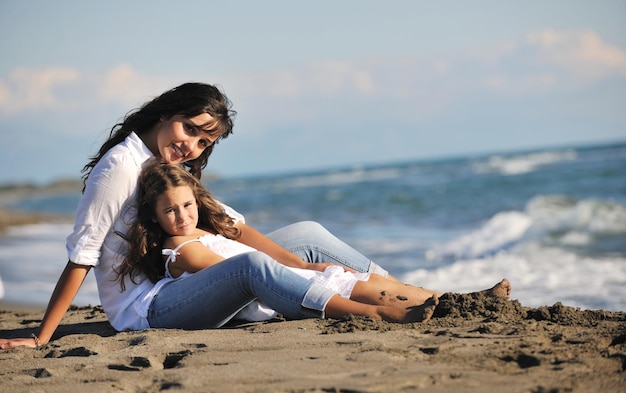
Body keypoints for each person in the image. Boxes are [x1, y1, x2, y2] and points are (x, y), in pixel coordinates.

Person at [0, 82, 510, 350]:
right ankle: (378, 313)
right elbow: (83, 253)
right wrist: (43, 336)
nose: (192, 145)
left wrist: (299, 261)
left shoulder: (168, 166)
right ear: (166, 112)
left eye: (204, 141)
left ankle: (433, 300)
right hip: (147, 307)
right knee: (249, 268)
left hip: (187, 278)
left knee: (308, 235)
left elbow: (232, 226)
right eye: (189, 129)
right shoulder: (120, 167)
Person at [118, 159, 446, 323]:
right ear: (156, 217)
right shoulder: (178, 248)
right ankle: (377, 315)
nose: (182, 216)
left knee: (361, 279)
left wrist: (305, 265)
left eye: (187, 205)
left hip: (275, 276)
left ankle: (447, 300)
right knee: (338, 285)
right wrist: (298, 274)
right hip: (262, 290)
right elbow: (230, 272)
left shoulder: (206, 229)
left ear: (196, 200)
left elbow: (244, 239)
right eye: (170, 211)